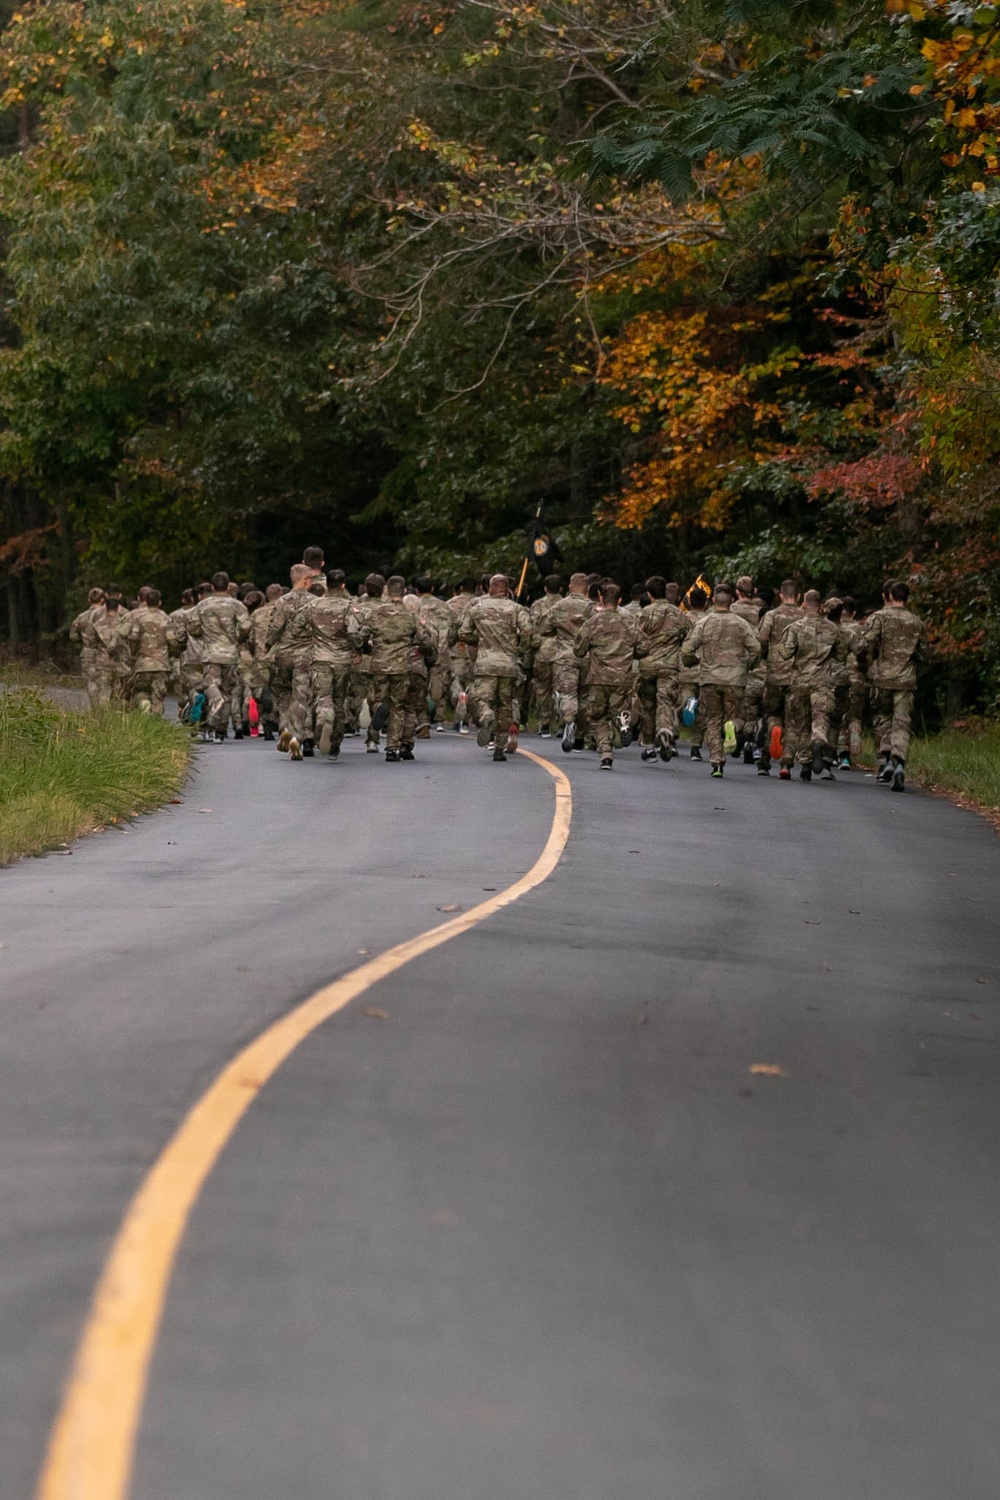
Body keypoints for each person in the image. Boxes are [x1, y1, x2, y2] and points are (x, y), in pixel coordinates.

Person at [681, 583, 760, 777]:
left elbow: (687, 650)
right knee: (737, 716)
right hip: (735, 679)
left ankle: (717, 762)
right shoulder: (742, 624)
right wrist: (748, 666)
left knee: (712, 720)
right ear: (732, 601)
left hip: (710, 678)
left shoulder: (704, 622)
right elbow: (756, 648)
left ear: (714, 600)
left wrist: (693, 661)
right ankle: (732, 726)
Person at [858, 579, 929, 792]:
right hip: (906, 680)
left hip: (882, 678)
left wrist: (867, 665)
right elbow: (925, 655)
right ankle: (899, 762)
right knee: (902, 722)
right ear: (907, 598)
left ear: (888, 596)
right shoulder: (917, 622)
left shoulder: (879, 617)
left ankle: (887, 758)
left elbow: (865, 645)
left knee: (883, 719)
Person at [349, 574, 429, 762]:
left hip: (380, 664)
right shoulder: (410, 616)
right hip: (402, 666)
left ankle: (378, 709)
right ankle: (392, 748)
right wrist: (421, 649)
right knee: (398, 707)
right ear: (403, 592)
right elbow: (425, 640)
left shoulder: (375, 613)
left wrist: (366, 649)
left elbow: (359, 637)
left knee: (378, 698)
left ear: (387, 590)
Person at [456, 574, 532, 762]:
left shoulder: (478, 608)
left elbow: (463, 633)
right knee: (505, 704)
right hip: (508, 664)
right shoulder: (517, 609)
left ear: (489, 588)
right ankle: (499, 747)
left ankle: (486, 714)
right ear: (506, 590)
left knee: (481, 698)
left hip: (485, 662)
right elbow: (529, 631)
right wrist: (519, 647)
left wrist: (480, 640)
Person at [776, 589, 848, 781]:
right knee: (820, 717)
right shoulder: (833, 629)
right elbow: (841, 656)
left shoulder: (795, 627)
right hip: (823, 681)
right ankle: (819, 738)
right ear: (821, 605)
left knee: (801, 723)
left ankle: (806, 764)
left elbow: (785, 653)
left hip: (800, 682)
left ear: (804, 604)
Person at [572, 582, 641, 770]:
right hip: (622, 677)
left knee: (597, 716)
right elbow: (644, 647)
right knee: (619, 710)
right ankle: (624, 725)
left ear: (601, 598)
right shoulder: (630, 621)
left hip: (598, 676)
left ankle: (605, 753)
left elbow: (578, 650)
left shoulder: (592, 622)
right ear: (620, 600)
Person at [186, 571, 251, 742]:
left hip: (211, 653)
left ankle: (213, 705)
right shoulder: (237, 605)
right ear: (229, 586)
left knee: (211, 685)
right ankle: (220, 731)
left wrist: (204, 633)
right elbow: (246, 626)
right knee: (228, 691)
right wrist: (238, 639)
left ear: (213, 587)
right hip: (231, 654)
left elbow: (192, 627)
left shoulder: (202, 605)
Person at [635, 576, 691, 762]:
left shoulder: (644, 613)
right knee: (665, 700)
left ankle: (649, 746)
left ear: (649, 594)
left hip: (647, 665)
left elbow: (634, 636)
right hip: (669, 665)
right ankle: (665, 729)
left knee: (648, 705)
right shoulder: (678, 614)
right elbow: (688, 636)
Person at [266, 564, 317, 758]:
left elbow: (275, 627)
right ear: (305, 580)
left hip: (284, 656)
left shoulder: (282, 602)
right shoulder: (314, 602)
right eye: (311, 579)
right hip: (305, 656)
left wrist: (268, 645)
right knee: (301, 696)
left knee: (284, 693)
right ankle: (296, 736)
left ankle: (284, 726)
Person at [538, 571, 593, 753]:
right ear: (587, 589)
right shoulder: (593, 609)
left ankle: (569, 721)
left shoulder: (560, 606)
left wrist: (559, 631)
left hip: (566, 656)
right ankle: (579, 738)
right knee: (585, 696)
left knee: (568, 693)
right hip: (588, 658)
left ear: (570, 586)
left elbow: (543, 628)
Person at [757, 579, 804, 778]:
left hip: (775, 674)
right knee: (793, 721)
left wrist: (767, 656)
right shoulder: (805, 617)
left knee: (772, 715)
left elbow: (761, 640)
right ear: (799, 596)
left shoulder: (771, 615)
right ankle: (786, 762)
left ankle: (765, 760)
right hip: (798, 676)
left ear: (781, 596)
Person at [123, 588, 183, 714]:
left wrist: (134, 653)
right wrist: (171, 653)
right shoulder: (166, 619)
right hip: (161, 665)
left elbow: (133, 638)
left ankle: (143, 702)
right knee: (158, 698)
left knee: (140, 691)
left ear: (146, 601)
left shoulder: (139, 618)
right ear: (159, 602)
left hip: (143, 664)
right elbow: (172, 640)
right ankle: (155, 723)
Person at [731, 575, 764, 764]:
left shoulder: (729, 611)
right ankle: (750, 740)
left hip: (733, 667)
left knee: (736, 708)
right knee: (753, 709)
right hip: (756, 667)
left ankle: (736, 735)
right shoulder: (761, 612)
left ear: (736, 592)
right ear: (755, 591)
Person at [80, 591, 130, 705]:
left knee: (104, 692)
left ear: (105, 606)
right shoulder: (124, 622)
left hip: (103, 662)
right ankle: (119, 716)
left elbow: (91, 642)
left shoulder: (97, 623)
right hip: (120, 662)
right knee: (120, 692)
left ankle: (104, 718)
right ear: (118, 607)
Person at [528, 574, 563, 736]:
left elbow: (532, 629)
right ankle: (564, 723)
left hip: (543, 651)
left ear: (545, 588)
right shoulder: (566, 605)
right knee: (563, 689)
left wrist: (536, 645)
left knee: (542, 688)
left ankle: (545, 724)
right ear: (561, 588)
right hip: (562, 651)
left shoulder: (538, 605)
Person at [677, 586, 708, 760]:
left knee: (685, 699)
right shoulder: (710, 619)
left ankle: (687, 709)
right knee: (703, 708)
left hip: (687, 668)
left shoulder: (683, 618)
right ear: (706, 603)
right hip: (706, 668)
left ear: (689, 602)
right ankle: (696, 747)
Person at [836, 596, 866, 767]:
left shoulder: (835, 629)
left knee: (839, 716)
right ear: (853, 613)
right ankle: (855, 742)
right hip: (857, 679)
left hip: (838, 677)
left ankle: (843, 754)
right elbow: (865, 654)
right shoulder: (860, 629)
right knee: (855, 716)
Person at [446, 576, 478, 733]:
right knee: (473, 683)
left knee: (456, 681)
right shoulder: (480, 603)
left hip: (456, 649)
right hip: (475, 649)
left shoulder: (450, 604)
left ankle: (459, 697)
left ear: (461, 588)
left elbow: (449, 628)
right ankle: (467, 721)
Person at [68, 588, 105, 707]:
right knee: (105, 680)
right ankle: (106, 707)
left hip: (88, 652)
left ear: (89, 599)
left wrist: (83, 640)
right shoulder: (108, 616)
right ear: (103, 600)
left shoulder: (81, 617)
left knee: (91, 681)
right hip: (105, 653)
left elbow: (73, 636)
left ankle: (96, 707)